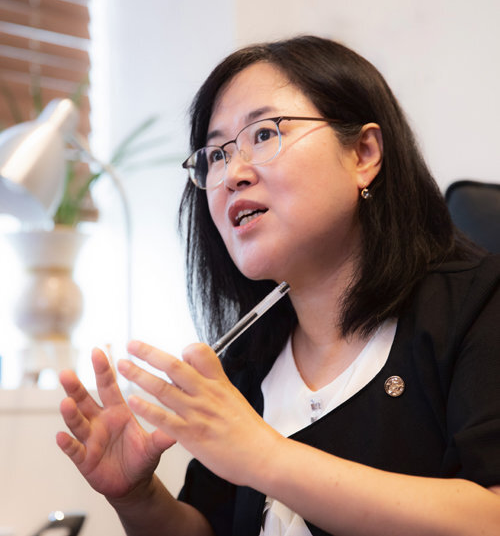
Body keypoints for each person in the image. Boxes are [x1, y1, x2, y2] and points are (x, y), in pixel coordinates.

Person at [57, 35, 500, 536]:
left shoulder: (479, 303)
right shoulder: (249, 362)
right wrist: (137, 498)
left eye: (265, 133)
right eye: (216, 154)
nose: (232, 174)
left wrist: (265, 457)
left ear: (363, 153)